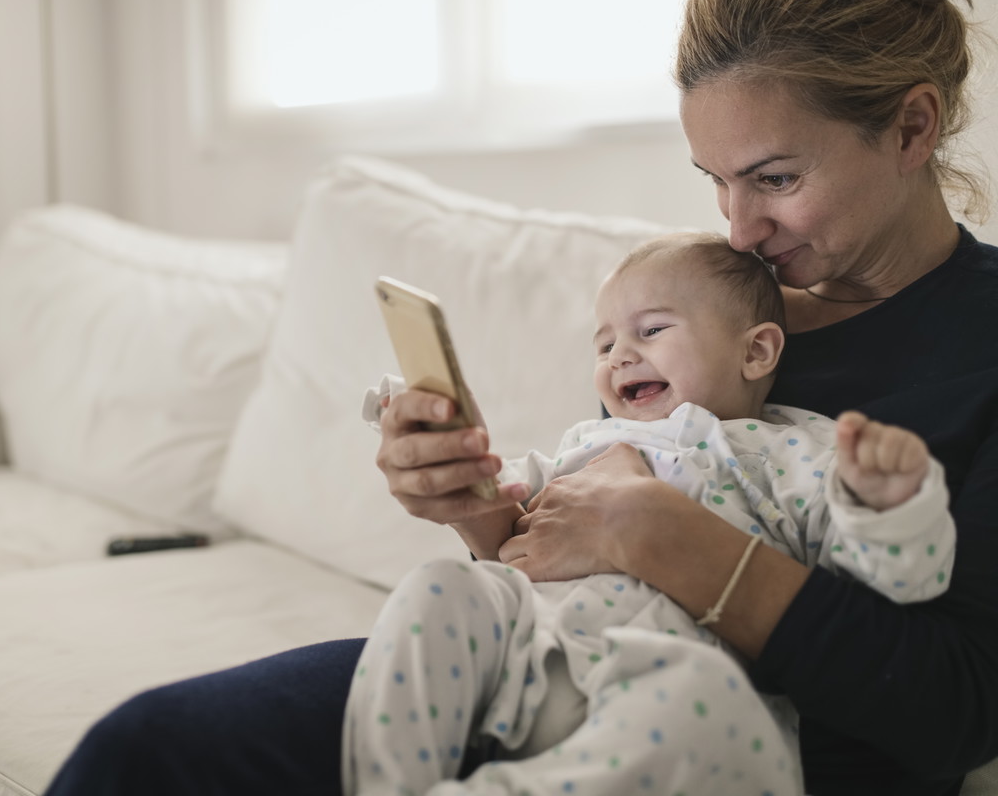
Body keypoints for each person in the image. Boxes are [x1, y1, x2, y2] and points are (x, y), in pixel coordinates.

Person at [43, 0, 998, 794]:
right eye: (715, 181)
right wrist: (475, 510)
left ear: (912, 127)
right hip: (540, 659)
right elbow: (580, 516)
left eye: (775, 179)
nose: (739, 230)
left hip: (708, 740)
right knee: (146, 753)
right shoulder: (703, 306)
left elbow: (959, 713)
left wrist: (676, 545)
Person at [343, 233, 954, 796]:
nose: (619, 357)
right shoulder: (588, 441)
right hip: (533, 654)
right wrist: (458, 463)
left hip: (657, 692)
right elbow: (507, 528)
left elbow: (886, 582)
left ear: (757, 350)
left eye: (652, 330)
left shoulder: (792, 451)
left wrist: (886, 502)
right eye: (605, 344)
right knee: (443, 587)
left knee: (702, 700)